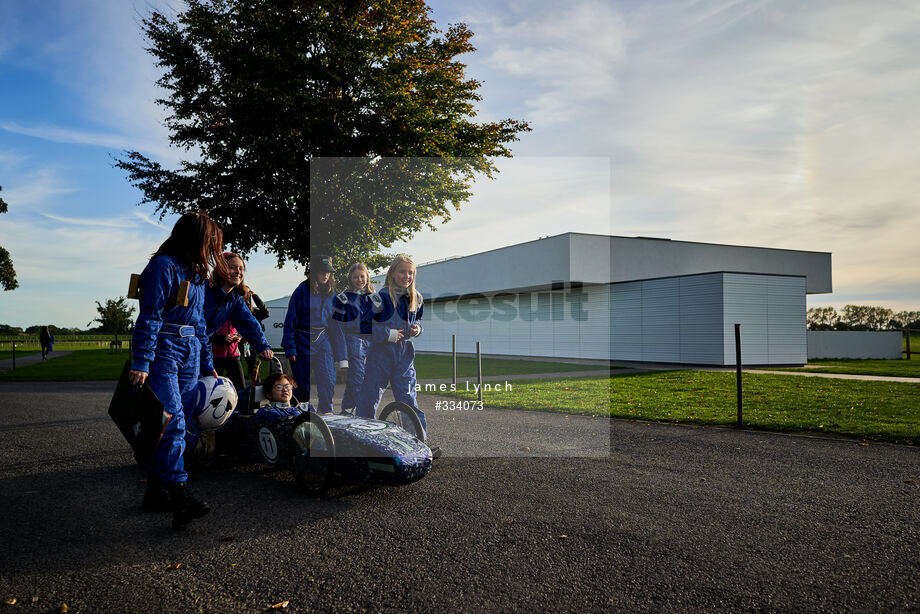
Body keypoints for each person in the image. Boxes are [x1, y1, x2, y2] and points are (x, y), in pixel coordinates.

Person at [128, 211, 225, 529]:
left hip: (190, 356)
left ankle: (156, 492)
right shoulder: (163, 267)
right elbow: (150, 315)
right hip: (164, 354)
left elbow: (200, 324)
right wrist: (142, 360)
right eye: (210, 240)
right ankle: (180, 493)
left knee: (179, 427)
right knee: (173, 423)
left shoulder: (196, 275)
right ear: (195, 238)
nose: (212, 248)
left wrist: (208, 364)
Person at [354, 254, 427, 436]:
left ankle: (418, 440)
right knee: (369, 398)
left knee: (408, 399)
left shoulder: (416, 297)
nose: (407, 276)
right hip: (380, 355)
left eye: (410, 273)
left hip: (403, 356)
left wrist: (418, 329)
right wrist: (387, 334)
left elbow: (417, 320)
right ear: (393, 273)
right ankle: (364, 438)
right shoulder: (381, 297)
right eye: (402, 272)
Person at [282, 255, 347, 413]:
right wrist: (290, 348)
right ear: (314, 272)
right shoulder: (301, 291)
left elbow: (336, 326)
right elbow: (290, 320)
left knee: (328, 379)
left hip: (323, 341)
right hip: (302, 340)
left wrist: (342, 355)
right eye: (321, 271)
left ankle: (326, 412)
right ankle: (299, 413)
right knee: (301, 383)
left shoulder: (333, 294)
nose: (325, 274)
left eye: (328, 272)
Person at [206, 252, 274, 391]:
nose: (237, 272)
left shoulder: (235, 299)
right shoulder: (205, 291)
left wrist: (263, 346)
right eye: (232, 267)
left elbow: (250, 323)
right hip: (194, 350)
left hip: (225, 353)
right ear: (221, 269)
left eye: (241, 268)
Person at [332, 263, 376, 414]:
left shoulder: (373, 298)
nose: (359, 280)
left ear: (367, 277)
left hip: (372, 344)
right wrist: (342, 357)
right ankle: (348, 412)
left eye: (362, 276)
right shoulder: (343, 299)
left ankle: (365, 415)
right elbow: (338, 329)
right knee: (357, 381)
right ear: (350, 279)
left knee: (370, 383)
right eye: (355, 277)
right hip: (354, 343)